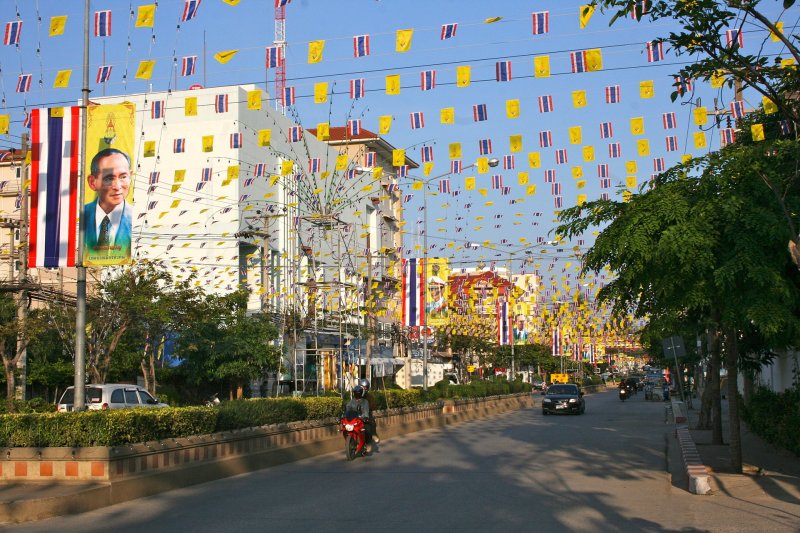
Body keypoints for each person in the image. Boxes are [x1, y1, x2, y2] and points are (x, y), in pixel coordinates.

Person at [83, 148, 133, 256]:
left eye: (123, 177)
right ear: (92, 182)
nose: (117, 187)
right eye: (109, 179)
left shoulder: (134, 219)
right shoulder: (82, 215)